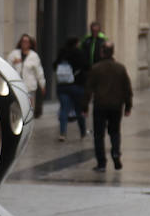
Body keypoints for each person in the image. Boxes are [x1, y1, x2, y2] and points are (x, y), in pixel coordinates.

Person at [85, 42, 133, 171]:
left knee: (99, 135)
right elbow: (127, 88)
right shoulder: (120, 68)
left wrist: (85, 107)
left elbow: (88, 89)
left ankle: (101, 162)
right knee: (115, 132)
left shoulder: (96, 68)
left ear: (102, 52)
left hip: (100, 105)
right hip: (116, 106)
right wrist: (128, 106)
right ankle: (116, 153)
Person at [52, 37, 88, 142]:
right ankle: (82, 132)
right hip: (77, 85)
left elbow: (54, 66)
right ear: (76, 43)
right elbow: (86, 66)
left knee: (64, 109)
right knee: (79, 110)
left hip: (63, 86)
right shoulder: (79, 53)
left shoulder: (62, 53)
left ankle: (62, 132)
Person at [6, 33, 45, 118]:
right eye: (23, 41)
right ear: (20, 42)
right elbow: (7, 67)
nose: (25, 43)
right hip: (16, 87)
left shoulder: (34, 56)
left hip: (29, 87)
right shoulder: (14, 54)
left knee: (29, 109)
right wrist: (14, 62)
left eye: (27, 42)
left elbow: (39, 72)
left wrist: (42, 84)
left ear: (30, 44)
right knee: (17, 108)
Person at [76, 21, 107, 86]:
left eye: (96, 31)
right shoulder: (87, 39)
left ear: (99, 31)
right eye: (93, 31)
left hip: (99, 67)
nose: (94, 32)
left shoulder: (103, 40)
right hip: (88, 68)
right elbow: (81, 50)